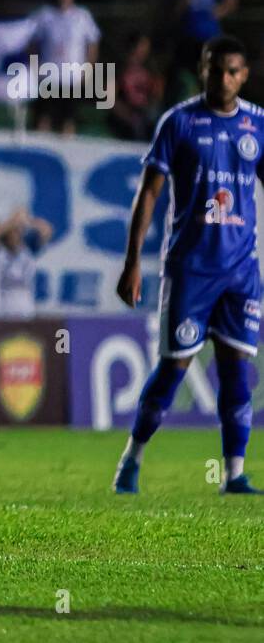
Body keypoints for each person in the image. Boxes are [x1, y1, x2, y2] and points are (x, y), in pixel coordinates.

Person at [114, 35, 261, 496]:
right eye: (216, 69)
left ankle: (233, 474)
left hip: (241, 271)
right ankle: (131, 459)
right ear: (203, 69)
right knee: (173, 370)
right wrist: (132, 261)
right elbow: (150, 193)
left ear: (245, 75)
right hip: (191, 270)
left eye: (233, 70)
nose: (224, 78)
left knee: (238, 372)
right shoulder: (178, 122)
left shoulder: (258, 124)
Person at [30, 0, 100, 135]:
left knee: (68, 122)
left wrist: (88, 69)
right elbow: (33, 44)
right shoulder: (44, 15)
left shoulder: (82, 16)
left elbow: (93, 44)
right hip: (48, 76)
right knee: (44, 120)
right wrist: (35, 68)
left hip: (72, 77)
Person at [169, 0, 236, 89]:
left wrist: (220, 10)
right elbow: (175, 11)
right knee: (190, 75)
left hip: (211, 35)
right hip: (189, 35)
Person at [0, 208, 53, 320]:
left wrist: (28, 221)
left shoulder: (27, 251)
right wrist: (12, 222)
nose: (16, 235)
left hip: (24, 311)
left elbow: (47, 231)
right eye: (12, 232)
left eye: (18, 232)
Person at [108, 32, 162, 141]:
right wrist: (128, 116)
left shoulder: (151, 68)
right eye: (142, 45)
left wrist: (149, 108)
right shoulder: (117, 67)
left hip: (146, 113)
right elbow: (109, 100)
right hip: (125, 116)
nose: (145, 50)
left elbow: (157, 94)